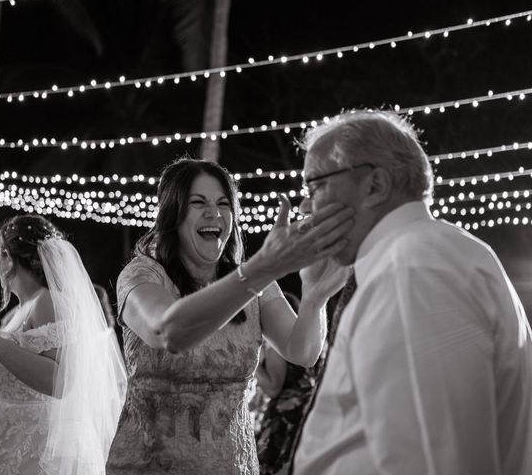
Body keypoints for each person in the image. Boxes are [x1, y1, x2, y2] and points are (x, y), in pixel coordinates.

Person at [293, 110, 532, 474]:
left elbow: (441, 461)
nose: (306, 207)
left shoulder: (413, 270)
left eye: (316, 185)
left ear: (375, 186)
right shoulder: (425, 254)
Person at [107, 157, 354, 474]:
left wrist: (315, 296)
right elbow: (168, 331)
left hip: (231, 464)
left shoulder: (258, 284)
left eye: (224, 203)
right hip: (149, 464)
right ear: (174, 214)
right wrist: (262, 268)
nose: (214, 212)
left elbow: (302, 352)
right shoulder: (142, 276)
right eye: (198, 202)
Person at [0, 214, 126, 475]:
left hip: (37, 443)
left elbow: (60, 382)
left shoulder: (47, 301)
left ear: (10, 258)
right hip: (4, 427)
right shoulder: (17, 312)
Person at [254, 292, 340, 475]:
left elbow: (273, 387)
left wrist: (250, 364)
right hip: (311, 410)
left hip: (286, 414)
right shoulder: (316, 342)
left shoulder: (279, 344)